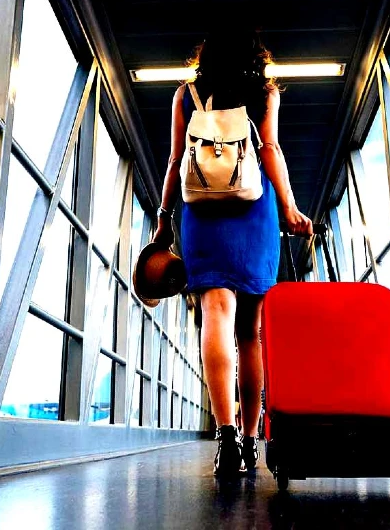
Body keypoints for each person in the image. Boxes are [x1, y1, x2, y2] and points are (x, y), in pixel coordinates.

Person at [152, 28, 313, 478]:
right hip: (253, 210)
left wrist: (165, 218)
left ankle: (223, 437)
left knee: (215, 316)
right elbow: (272, 149)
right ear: (254, 57)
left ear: (206, 57)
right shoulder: (264, 93)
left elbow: (173, 160)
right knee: (250, 332)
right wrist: (290, 208)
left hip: (200, 212)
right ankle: (249, 437)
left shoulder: (186, 94)